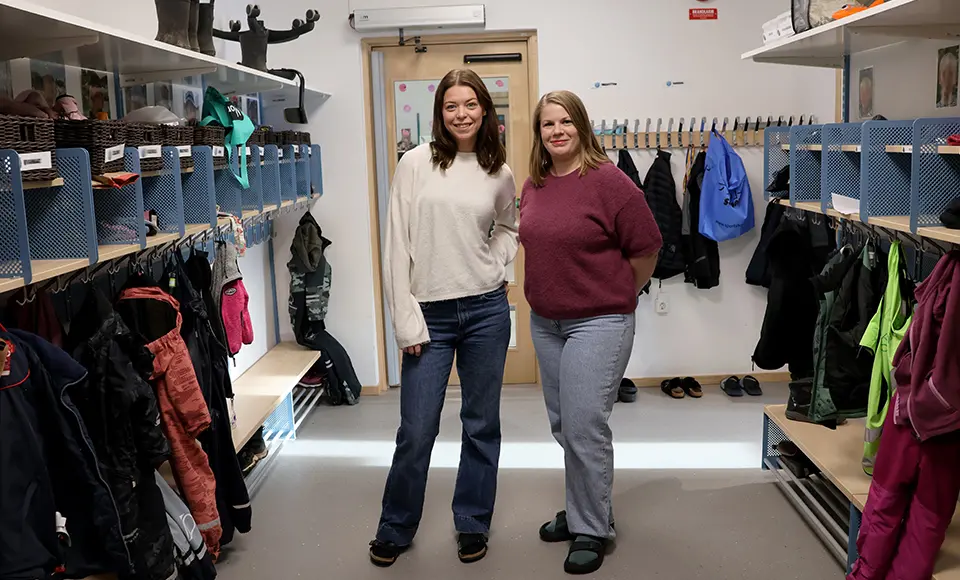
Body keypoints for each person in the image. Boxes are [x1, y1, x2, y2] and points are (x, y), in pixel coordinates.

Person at [370, 68, 518, 568]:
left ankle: (472, 520)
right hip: (429, 314)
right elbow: (396, 245)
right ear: (440, 113)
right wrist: (405, 321)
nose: (461, 114)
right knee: (416, 429)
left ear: (485, 109)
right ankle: (395, 525)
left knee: (481, 424)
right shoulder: (415, 163)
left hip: (486, 310)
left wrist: (496, 261)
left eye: (470, 104)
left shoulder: (499, 171)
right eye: (451, 106)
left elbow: (509, 227)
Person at [519, 90, 662, 575]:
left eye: (565, 122)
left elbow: (647, 249)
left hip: (599, 322)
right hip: (546, 322)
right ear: (539, 133)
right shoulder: (535, 184)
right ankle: (585, 508)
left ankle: (592, 528)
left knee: (584, 425)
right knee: (565, 425)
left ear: (581, 126)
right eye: (548, 124)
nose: (557, 131)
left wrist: (617, 293)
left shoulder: (611, 183)